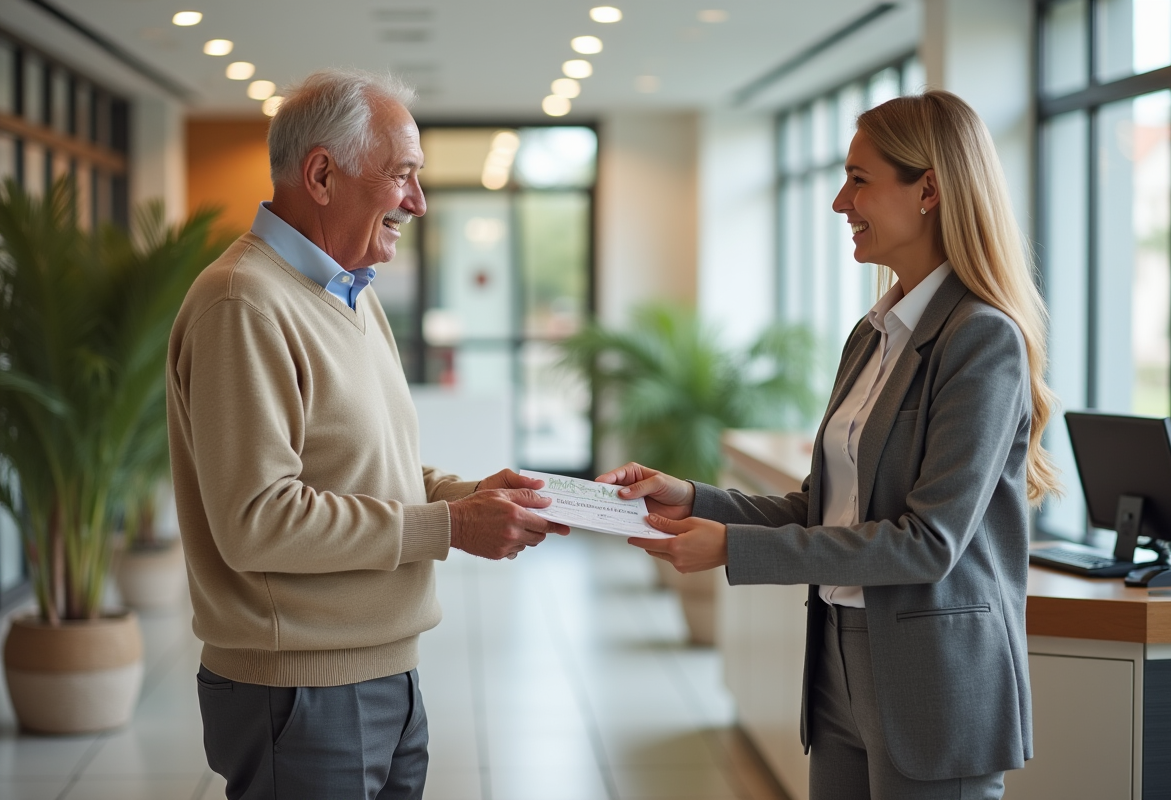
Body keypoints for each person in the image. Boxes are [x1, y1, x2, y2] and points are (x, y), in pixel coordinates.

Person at [600, 90, 1058, 800]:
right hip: (839, 664)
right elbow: (824, 507)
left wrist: (730, 549)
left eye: (859, 179)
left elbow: (926, 543)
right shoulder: (872, 335)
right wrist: (693, 499)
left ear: (929, 189)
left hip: (930, 678)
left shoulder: (980, 339)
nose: (841, 203)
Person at [165, 68, 568, 800]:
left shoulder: (352, 296)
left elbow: (373, 473)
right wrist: (447, 527)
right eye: (403, 176)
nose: (417, 201)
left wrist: (473, 495)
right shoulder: (242, 304)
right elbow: (258, 522)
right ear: (322, 174)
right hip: (303, 693)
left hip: (385, 672)